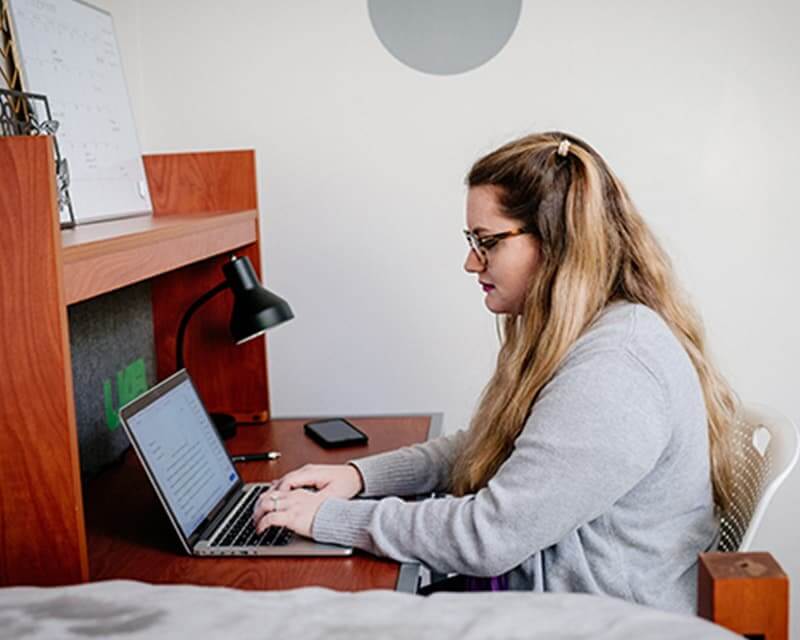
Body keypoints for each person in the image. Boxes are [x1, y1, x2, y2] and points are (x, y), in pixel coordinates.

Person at [252, 131, 737, 613]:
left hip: (605, 622)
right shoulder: (590, 332)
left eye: (486, 242)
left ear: (557, 242)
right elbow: (494, 445)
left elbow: (489, 536)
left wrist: (331, 520)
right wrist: (361, 478)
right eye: (471, 240)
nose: (470, 262)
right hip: (563, 604)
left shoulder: (616, 371)